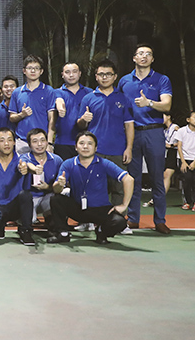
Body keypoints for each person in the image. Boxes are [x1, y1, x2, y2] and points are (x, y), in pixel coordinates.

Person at [116, 44, 173, 234]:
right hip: (131, 134)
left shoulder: (161, 79)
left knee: (157, 178)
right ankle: (133, 219)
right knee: (133, 178)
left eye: (148, 54)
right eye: (140, 53)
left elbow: (166, 105)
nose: (144, 56)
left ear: (152, 59)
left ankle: (160, 220)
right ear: (134, 58)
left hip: (154, 132)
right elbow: (117, 105)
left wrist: (149, 102)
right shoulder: (124, 81)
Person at [46, 131, 133, 245]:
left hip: (100, 210)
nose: (85, 146)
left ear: (96, 148)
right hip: (77, 208)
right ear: (76, 147)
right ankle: (63, 233)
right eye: (81, 143)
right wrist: (59, 184)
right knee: (56, 199)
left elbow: (128, 179)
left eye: (90, 144)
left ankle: (101, 232)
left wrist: (124, 205)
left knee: (119, 222)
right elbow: (56, 190)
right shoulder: (68, 164)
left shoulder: (104, 163)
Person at [78, 59, 134, 210]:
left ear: (115, 77)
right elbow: (80, 125)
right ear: (96, 76)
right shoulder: (88, 98)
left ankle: (118, 219)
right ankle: (92, 218)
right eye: (101, 74)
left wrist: (129, 148)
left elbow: (129, 125)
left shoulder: (123, 98)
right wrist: (83, 119)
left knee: (119, 188)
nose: (104, 77)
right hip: (95, 151)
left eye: (108, 74)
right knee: (93, 187)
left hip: (118, 151)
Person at [0, 128, 35, 245]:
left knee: (26, 195)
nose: (6, 143)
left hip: (15, 206)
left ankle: (26, 231)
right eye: (2, 140)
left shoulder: (21, 159)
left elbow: (27, 165)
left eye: (10, 140)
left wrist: (28, 168)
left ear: (14, 142)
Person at [9, 55, 56, 154]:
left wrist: (49, 142)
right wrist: (22, 115)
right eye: (30, 68)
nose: (33, 71)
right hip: (22, 141)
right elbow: (12, 117)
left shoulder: (48, 90)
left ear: (41, 71)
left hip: (42, 142)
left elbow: (52, 118)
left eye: (36, 68)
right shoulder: (17, 92)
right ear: (24, 71)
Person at [19, 128, 62, 227]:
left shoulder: (56, 160)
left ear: (47, 142)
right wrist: (35, 169)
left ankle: (51, 218)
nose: (39, 144)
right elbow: (26, 165)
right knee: (31, 220)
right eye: (35, 141)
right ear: (29, 145)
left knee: (62, 194)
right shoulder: (24, 158)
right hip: (30, 199)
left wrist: (47, 187)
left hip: (46, 197)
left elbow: (58, 186)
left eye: (42, 140)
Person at [54, 62, 93, 161]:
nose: (71, 75)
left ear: (79, 73)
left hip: (85, 143)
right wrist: (60, 108)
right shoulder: (57, 92)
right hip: (62, 142)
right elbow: (59, 100)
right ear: (62, 75)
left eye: (74, 72)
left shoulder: (89, 93)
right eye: (67, 72)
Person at [175, 111, 195, 212]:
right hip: (183, 159)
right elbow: (179, 147)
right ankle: (187, 202)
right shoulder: (181, 131)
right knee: (187, 180)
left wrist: (194, 162)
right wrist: (183, 162)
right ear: (188, 120)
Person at [146, 113, 180, 208]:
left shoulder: (175, 127)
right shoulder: (164, 130)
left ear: (169, 117)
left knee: (167, 175)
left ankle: (158, 199)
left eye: (163, 116)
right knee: (161, 176)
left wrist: (171, 145)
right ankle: (157, 198)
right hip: (165, 154)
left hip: (174, 153)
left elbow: (183, 140)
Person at [0, 75, 19, 151]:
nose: (9, 89)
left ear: (17, 88)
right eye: (6, 87)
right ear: (2, 89)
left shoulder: (22, 107)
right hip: (2, 148)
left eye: (12, 86)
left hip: (20, 147)